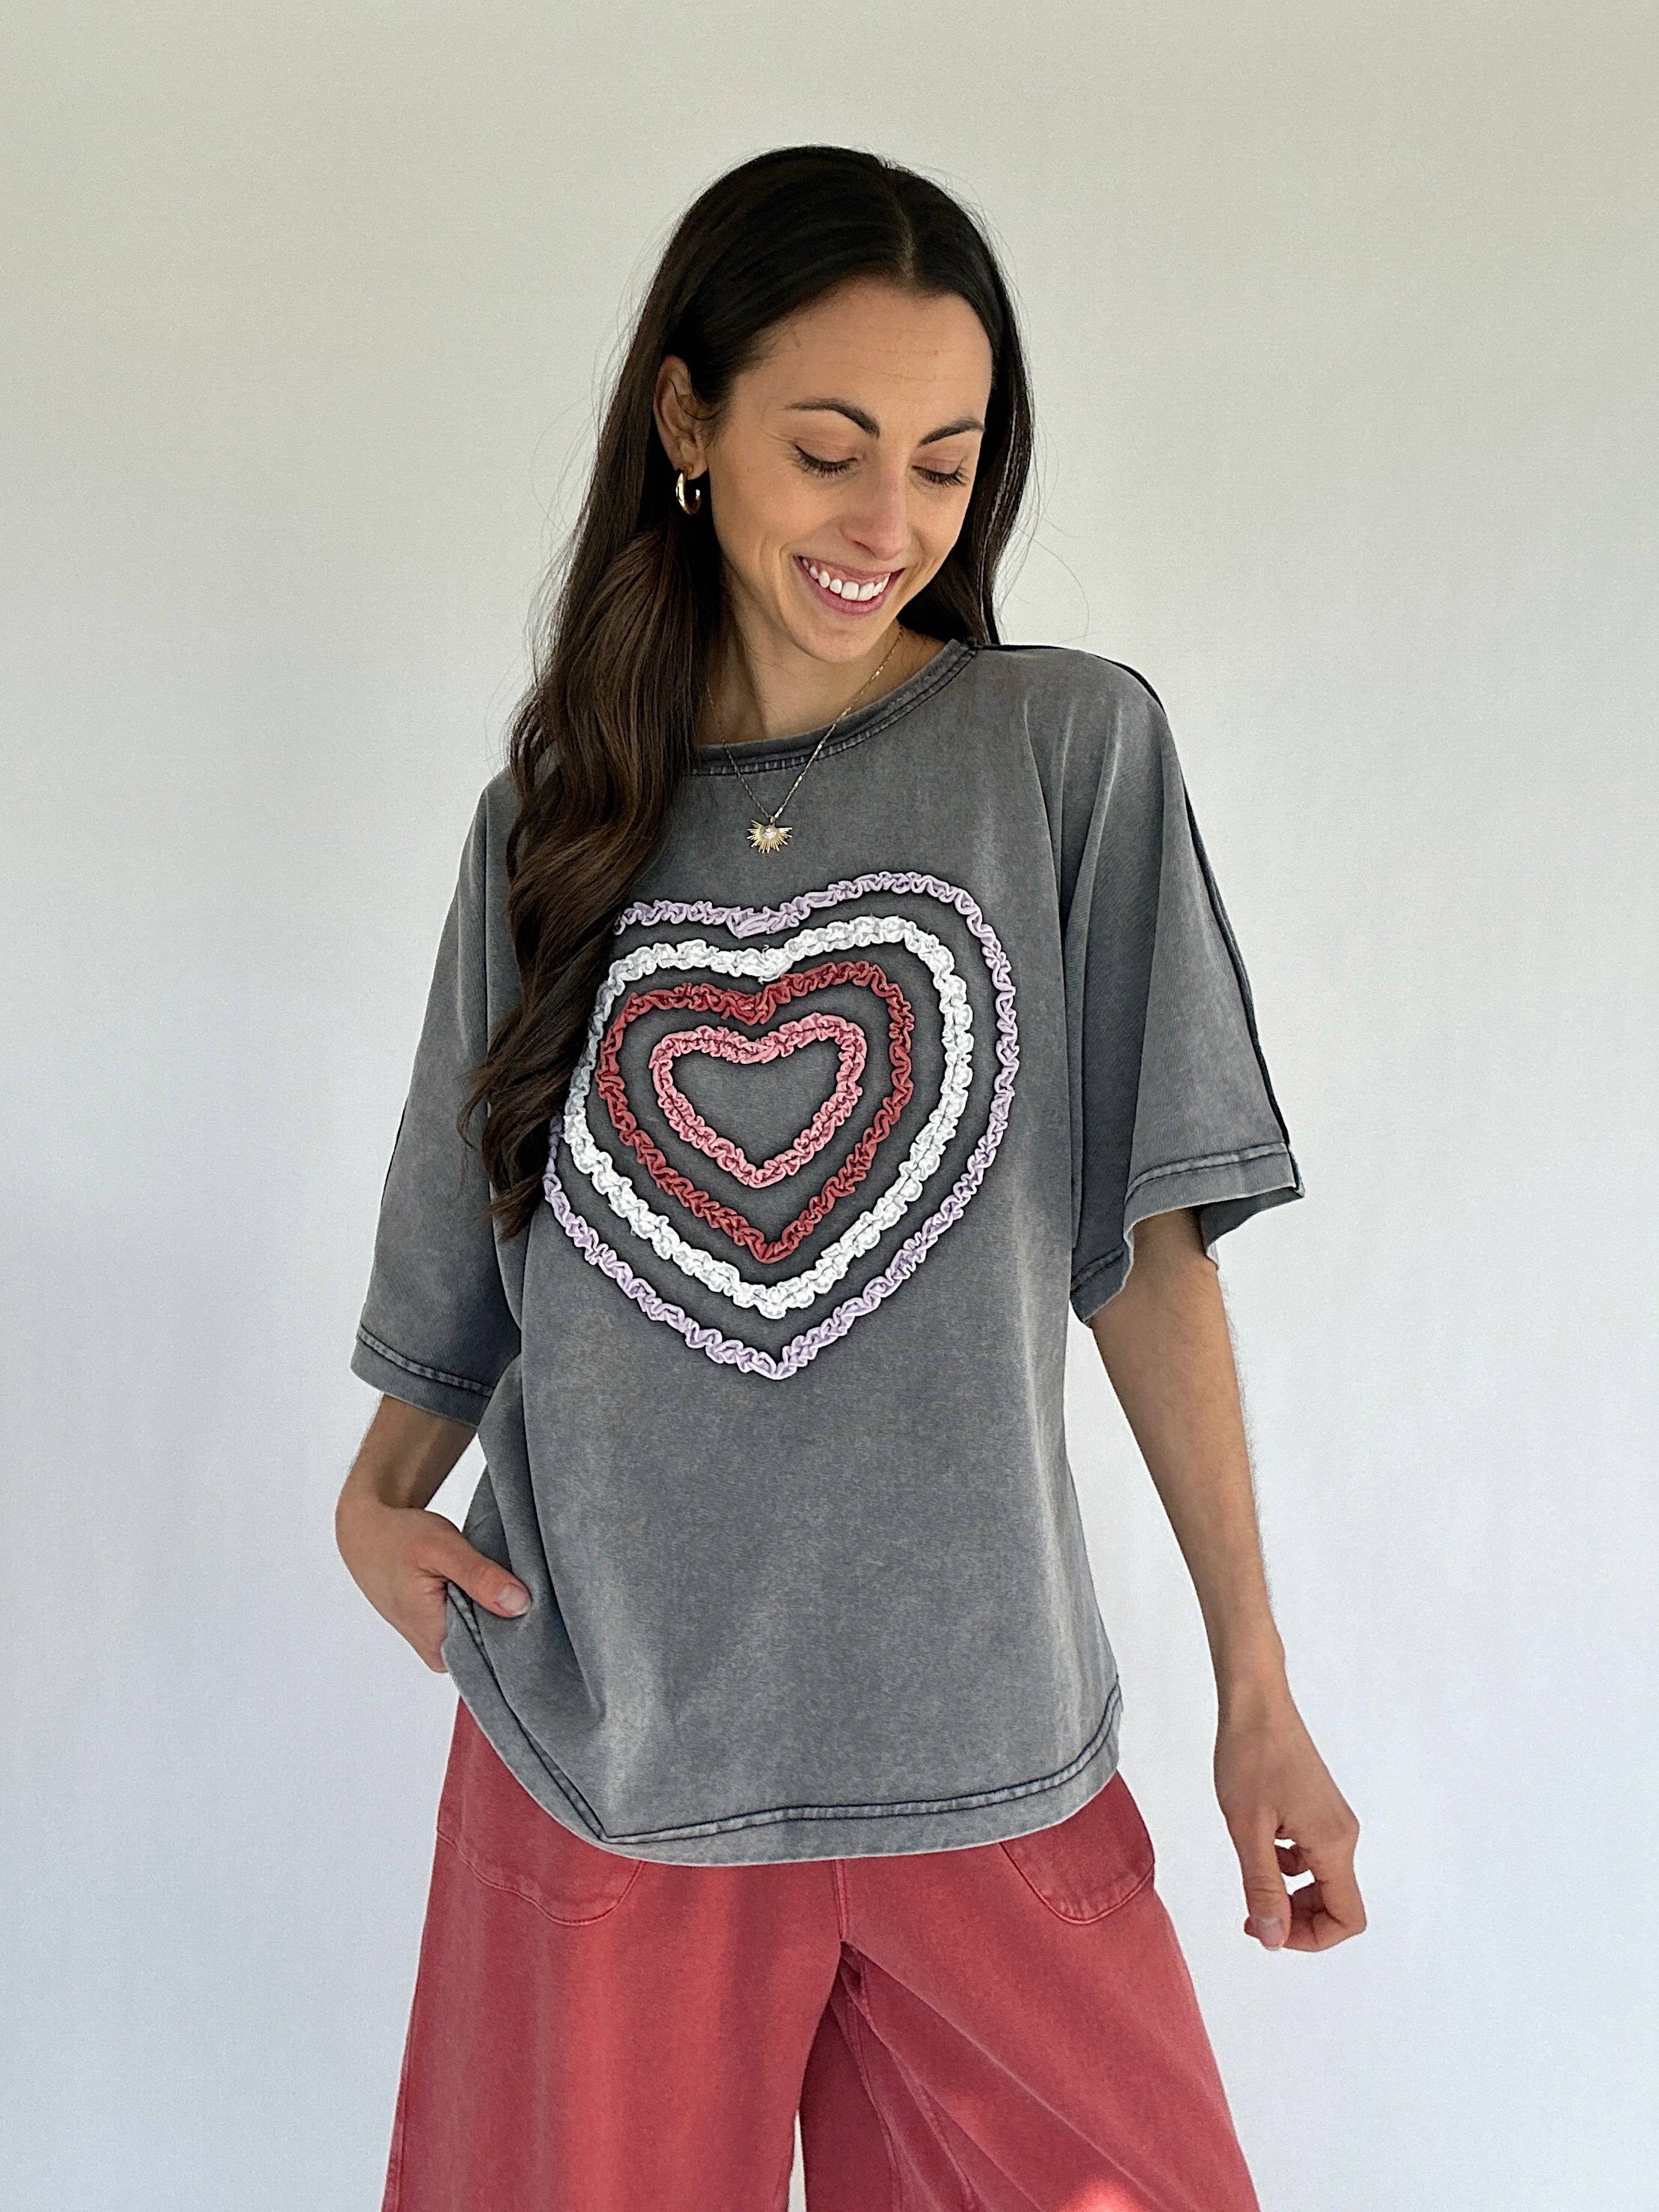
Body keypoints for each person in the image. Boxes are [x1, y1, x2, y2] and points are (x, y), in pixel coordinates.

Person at [335, 143, 1364, 2212]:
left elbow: (1146, 1254)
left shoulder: (1065, 757)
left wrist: (1261, 1692)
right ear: (689, 421)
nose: (887, 522)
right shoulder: (551, 822)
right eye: (830, 448)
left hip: (984, 1746)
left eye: (948, 461)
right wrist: (373, 1508)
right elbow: (470, 1262)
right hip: (613, 1760)